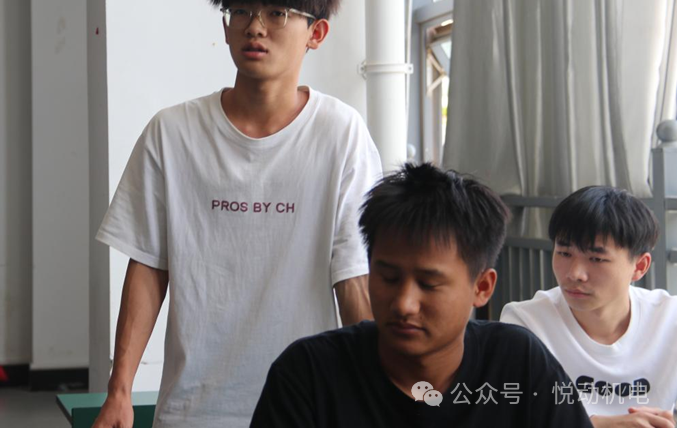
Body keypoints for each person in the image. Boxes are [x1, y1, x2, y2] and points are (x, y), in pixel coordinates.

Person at [92, 0, 382, 428]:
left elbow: (353, 276)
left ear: (316, 32)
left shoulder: (340, 133)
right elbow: (148, 266)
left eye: (277, 13)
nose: (255, 27)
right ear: (225, 25)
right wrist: (119, 390)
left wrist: (377, 397)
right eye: (241, 10)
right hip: (193, 409)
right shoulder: (173, 132)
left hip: (304, 406)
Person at [251, 163, 593, 427]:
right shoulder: (309, 375)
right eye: (388, 277)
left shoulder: (520, 366)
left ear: (481, 288)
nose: (403, 304)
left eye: (429, 284)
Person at [501, 186, 677, 428]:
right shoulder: (526, 323)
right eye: (564, 253)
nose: (575, 273)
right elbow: (511, 417)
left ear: (639, 266)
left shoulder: (670, 319)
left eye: (596, 259)